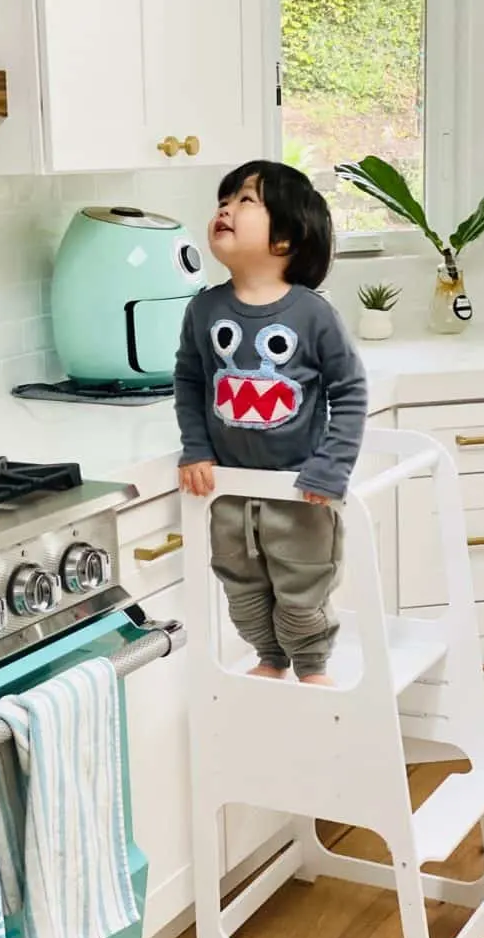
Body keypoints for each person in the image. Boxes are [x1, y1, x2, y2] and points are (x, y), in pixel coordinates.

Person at [173, 160, 368, 685]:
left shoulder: (313, 313)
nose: (225, 208)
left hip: (300, 492)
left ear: (285, 237)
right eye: (224, 199)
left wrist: (331, 467)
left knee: (302, 592)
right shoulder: (204, 309)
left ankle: (311, 666)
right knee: (242, 591)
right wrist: (195, 449)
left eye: (245, 201)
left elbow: (349, 392)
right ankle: (269, 658)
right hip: (229, 490)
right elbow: (190, 382)